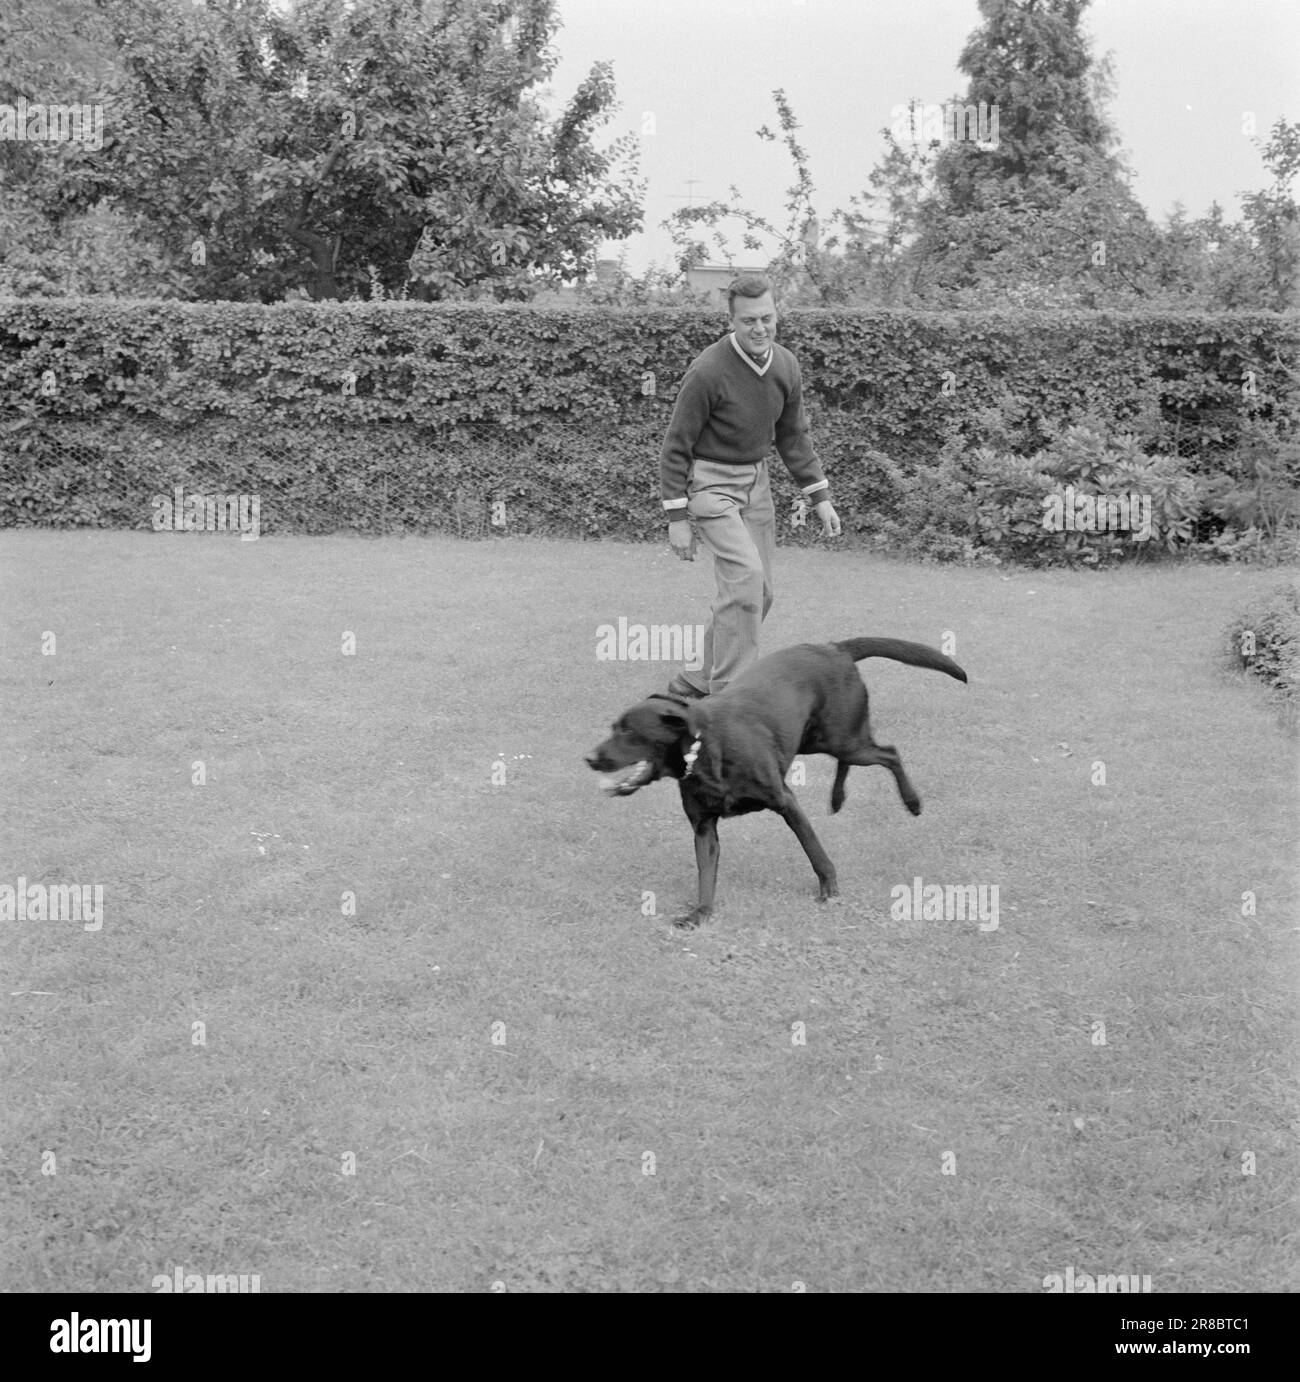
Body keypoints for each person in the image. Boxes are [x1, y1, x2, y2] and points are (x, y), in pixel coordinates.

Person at [659, 273, 841, 698]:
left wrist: (820, 498)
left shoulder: (786, 366)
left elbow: (794, 437)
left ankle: (697, 679)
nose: (759, 329)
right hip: (711, 485)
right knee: (745, 578)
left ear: (777, 314)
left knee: (761, 593)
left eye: (767, 318)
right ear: (732, 321)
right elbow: (675, 446)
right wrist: (677, 518)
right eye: (748, 321)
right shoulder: (707, 371)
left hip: (756, 484)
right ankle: (729, 695)